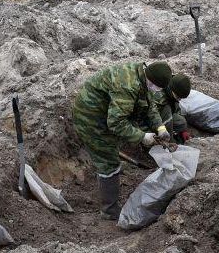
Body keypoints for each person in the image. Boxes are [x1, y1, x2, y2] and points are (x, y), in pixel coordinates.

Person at [71, 60, 176, 220]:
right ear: (151, 81)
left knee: (114, 145)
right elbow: (115, 123)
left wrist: (160, 127)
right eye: (157, 87)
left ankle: (109, 175)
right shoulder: (128, 86)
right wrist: (142, 136)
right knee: (108, 161)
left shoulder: (143, 75)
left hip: (106, 111)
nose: (157, 91)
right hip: (90, 116)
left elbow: (150, 105)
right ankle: (109, 211)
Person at [154, 74, 193, 144]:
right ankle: (163, 139)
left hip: (163, 117)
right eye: (178, 97)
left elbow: (176, 109)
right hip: (150, 121)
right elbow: (153, 116)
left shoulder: (172, 92)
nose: (179, 99)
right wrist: (171, 142)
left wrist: (183, 131)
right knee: (167, 113)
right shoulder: (159, 97)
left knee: (181, 122)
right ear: (173, 90)